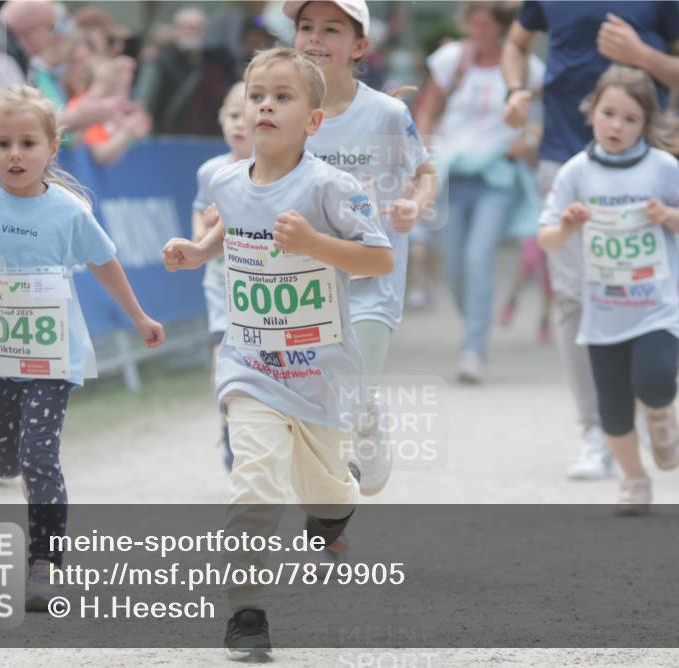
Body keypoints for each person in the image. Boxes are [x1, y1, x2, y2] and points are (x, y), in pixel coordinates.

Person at [162, 46, 392, 660]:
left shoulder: (332, 186)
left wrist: (316, 241)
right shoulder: (224, 181)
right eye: (256, 95)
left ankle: (335, 506)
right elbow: (223, 236)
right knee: (255, 481)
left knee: (327, 496)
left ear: (313, 121)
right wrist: (194, 251)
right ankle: (246, 613)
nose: (264, 106)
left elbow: (381, 258)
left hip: (320, 374)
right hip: (250, 365)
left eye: (282, 97)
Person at [0, 84, 165, 610]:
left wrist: (139, 317)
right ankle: (5, 465)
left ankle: (44, 563)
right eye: (2, 143)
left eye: (28, 143)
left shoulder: (69, 210)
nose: (15, 154)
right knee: (4, 461)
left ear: (53, 148)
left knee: (39, 455)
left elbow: (104, 262)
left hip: (53, 356)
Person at [502, 0, 679, 479]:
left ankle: (656, 403)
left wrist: (642, 54)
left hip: (642, 167)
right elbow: (516, 44)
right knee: (574, 300)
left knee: (636, 289)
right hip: (564, 157)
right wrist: (516, 89)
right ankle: (596, 433)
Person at [537, 65, 679, 514]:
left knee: (654, 381)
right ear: (591, 111)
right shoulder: (575, 172)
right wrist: (568, 224)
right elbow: (547, 237)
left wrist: (667, 216)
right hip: (602, 312)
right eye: (609, 113)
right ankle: (634, 479)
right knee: (612, 411)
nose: (616, 126)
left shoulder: (662, 168)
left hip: (654, 306)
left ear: (646, 124)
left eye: (630, 119)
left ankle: (661, 415)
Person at [286, 0, 438, 496]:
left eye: (331, 29)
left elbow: (426, 174)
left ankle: (331, 513)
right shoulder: (284, 111)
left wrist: (414, 207)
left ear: (359, 48)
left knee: (344, 398)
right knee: (325, 398)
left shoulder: (387, 114)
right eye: (306, 27)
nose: (314, 38)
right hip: (307, 285)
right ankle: (368, 420)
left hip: (373, 284)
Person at [416, 0, 544, 383]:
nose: (479, 28)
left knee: (478, 256)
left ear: (502, 26)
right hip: (451, 173)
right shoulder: (451, 59)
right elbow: (428, 108)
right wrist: (422, 151)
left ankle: (473, 350)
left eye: (486, 22)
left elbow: (538, 121)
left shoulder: (526, 67)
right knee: (453, 268)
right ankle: (476, 319)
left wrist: (526, 142)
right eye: (473, 21)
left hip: (497, 175)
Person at [191, 81, 251, 471]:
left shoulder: (284, 171)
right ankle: (231, 433)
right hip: (221, 289)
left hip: (262, 292)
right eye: (231, 116)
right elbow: (199, 214)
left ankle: (256, 436)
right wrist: (202, 236)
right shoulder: (210, 171)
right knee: (223, 372)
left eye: (245, 117)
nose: (239, 125)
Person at [135, 8, 235, 136]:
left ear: (205, 31)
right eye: (185, 27)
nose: (190, 32)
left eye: (196, 28)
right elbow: (143, 105)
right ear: (176, 30)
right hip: (165, 141)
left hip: (205, 141)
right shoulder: (159, 64)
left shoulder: (215, 65)